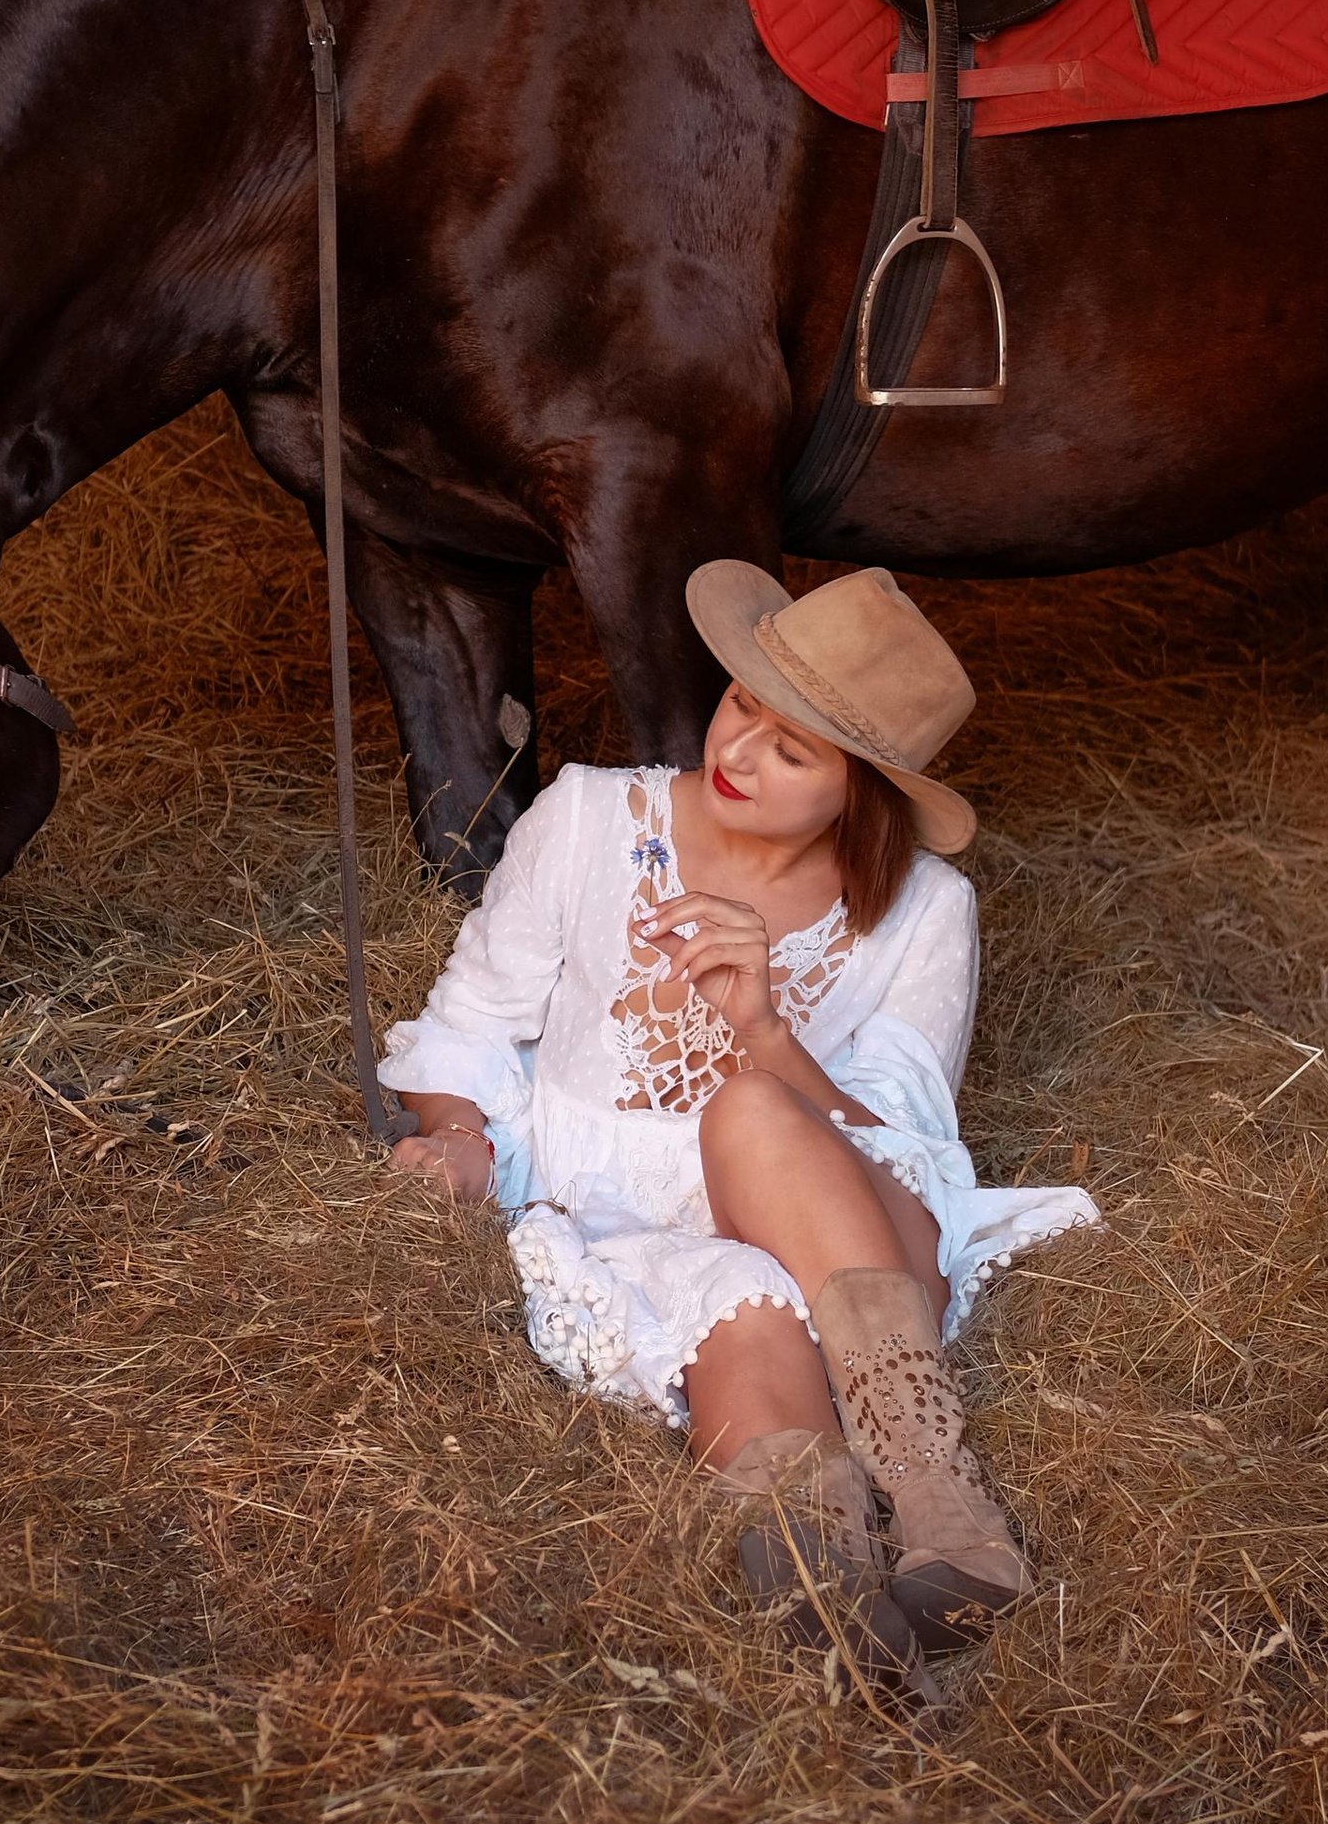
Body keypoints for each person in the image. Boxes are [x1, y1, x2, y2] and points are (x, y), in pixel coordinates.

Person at [380, 561, 1098, 1684]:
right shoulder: (585, 819)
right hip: (638, 1215)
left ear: (862, 789)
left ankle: (942, 1502)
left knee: (754, 1107)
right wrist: (464, 1138)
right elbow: (466, 1025)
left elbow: (901, 1134)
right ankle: (840, 1634)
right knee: (741, 1310)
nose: (737, 752)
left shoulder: (926, 910)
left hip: (848, 1227)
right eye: (740, 707)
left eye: (792, 748)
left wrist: (762, 1028)